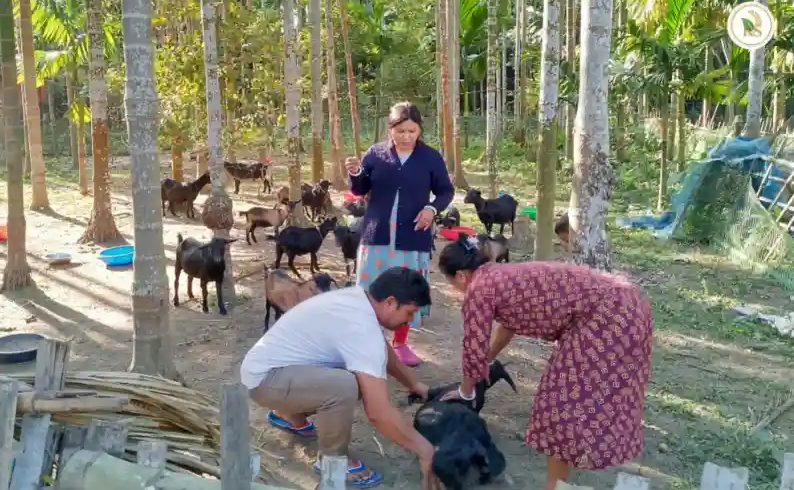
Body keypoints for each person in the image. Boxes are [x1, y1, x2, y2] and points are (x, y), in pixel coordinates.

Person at [436, 235, 653, 490]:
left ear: (461, 275)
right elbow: (507, 327)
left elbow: (473, 346)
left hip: (605, 318)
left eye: (451, 283)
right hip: (628, 303)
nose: (456, 289)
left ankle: (554, 486)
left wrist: (466, 391)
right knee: (577, 402)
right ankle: (562, 478)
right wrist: (486, 362)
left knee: (560, 407)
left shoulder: (478, 288)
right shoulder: (499, 274)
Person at [240, 267, 440, 489]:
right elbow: (378, 413)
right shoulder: (361, 327)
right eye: (410, 313)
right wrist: (426, 451)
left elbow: (382, 352)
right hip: (267, 381)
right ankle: (333, 460)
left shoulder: (357, 300)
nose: (410, 321)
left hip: (273, 371)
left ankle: (289, 415)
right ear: (391, 302)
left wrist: (413, 384)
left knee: (351, 378)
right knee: (345, 385)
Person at [344, 102, 454, 367]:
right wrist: (356, 172)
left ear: (419, 131)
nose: (406, 136)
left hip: (412, 236)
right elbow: (360, 190)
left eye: (412, 131)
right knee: (373, 289)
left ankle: (401, 344)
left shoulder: (430, 158)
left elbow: (445, 192)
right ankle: (372, 344)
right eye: (400, 131)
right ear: (390, 129)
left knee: (406, 290)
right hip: (377, 235)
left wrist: (431, 209)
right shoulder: (376, 154)